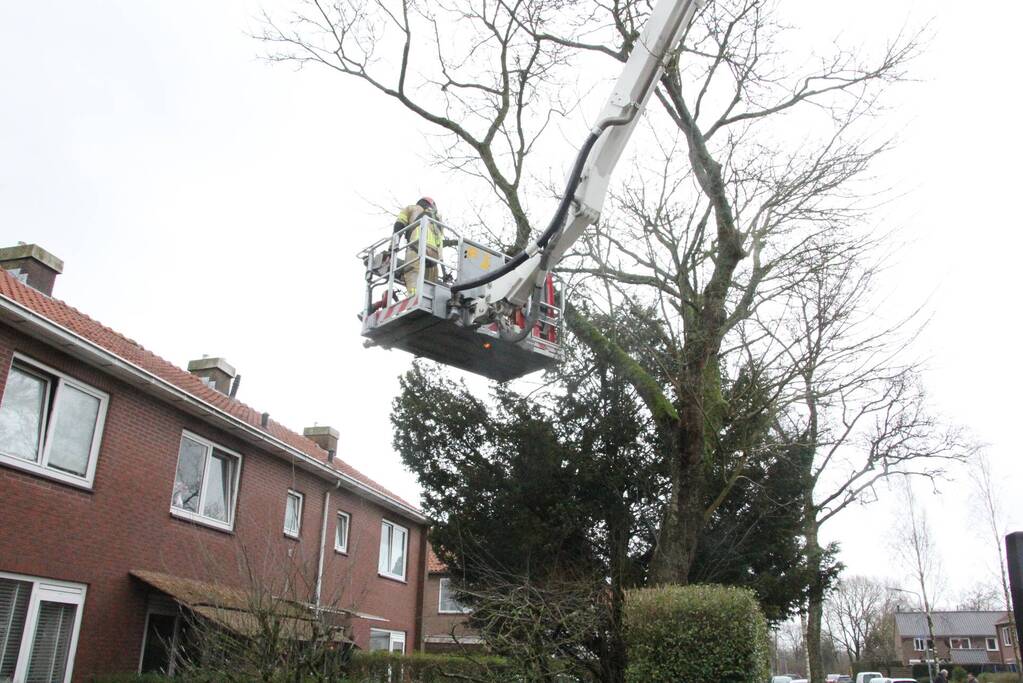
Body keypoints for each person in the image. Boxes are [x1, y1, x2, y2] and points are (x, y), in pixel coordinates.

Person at [393, 197, 443, 295]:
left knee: (413, 276)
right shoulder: (437, 218)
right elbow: (440, 241)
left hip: (416, 249)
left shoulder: (411, 209)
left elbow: (399, 226)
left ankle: (414, 300)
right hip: (434, 257)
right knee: (431, 288)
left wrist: (392, 246)